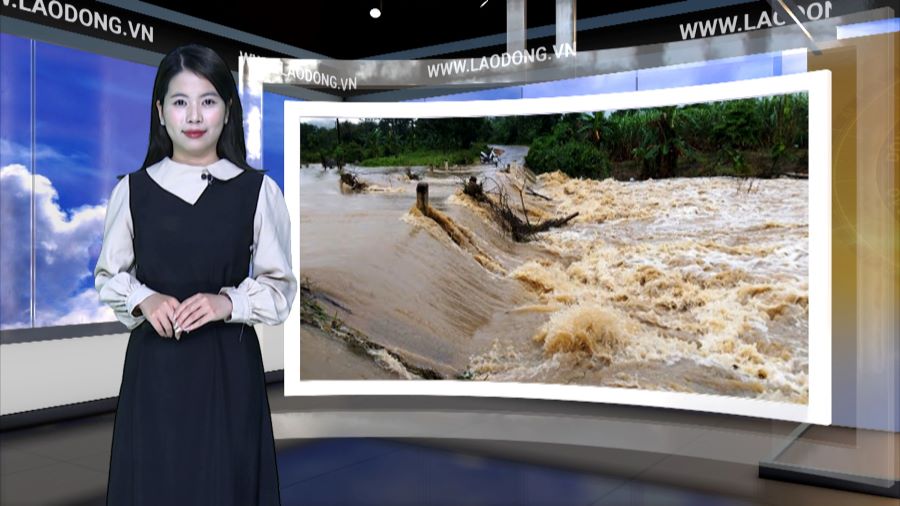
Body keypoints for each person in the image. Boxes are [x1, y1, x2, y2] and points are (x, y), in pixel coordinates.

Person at [94, 44, 296, 505]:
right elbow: (109, 275)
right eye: (180, 101)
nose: (194, 115)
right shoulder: (132, 190)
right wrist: (145, 298)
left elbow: (279, 287)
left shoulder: (258, 190)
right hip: (155, 372)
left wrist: (228, 302)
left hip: (228, 370)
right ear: (160, 112)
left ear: (228, 110)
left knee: (226, 483)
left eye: (207, 100)